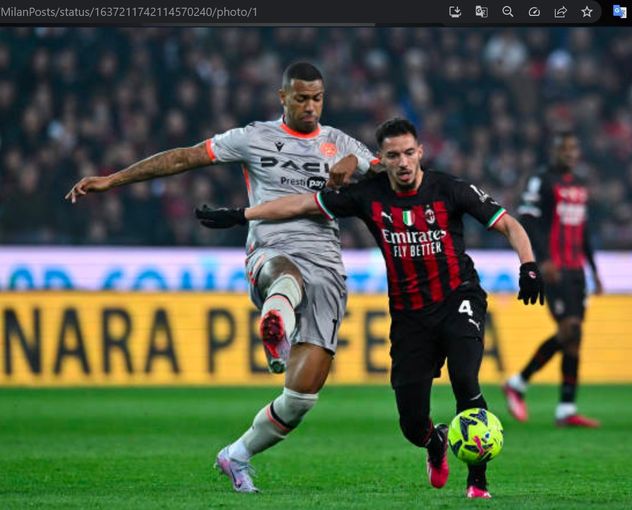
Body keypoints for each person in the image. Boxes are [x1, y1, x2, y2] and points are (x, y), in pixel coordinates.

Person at [65, 62, 380, 493]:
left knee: (301, 398)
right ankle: (277, 328)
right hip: (272, 247)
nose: (311, 106)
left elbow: (395, 173)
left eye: (318, 98)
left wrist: (357, 161)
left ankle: (236, 455)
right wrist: (112, 179)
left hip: (327, 263)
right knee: (284, 278)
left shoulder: (338, 142)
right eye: (302, 98)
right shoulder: (254, 137)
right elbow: (185, 157)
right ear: (282, 97)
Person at [195, 118, 545, 499]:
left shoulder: (450, 189)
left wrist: (528, 266)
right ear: (381, 159)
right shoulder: (368, 195)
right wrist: (241, 214)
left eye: (409, 153)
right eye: (393, 155)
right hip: (410, 316)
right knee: (412, 423)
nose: (403, 162)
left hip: (458, 297)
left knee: (466, 379)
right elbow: (302, 204)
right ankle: (434, 442)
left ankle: (478, 481)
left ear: (420, 153)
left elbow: (508, 223)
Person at [502, 131, 603, 428]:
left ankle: (565, 409)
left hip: (576, 271)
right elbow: (529, 219)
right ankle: (518, 382)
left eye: (574, 148)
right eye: (565, 148)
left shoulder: (580, 185)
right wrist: (541, 258)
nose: (570, 153)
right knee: (569, 328)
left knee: (574, 339)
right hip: (554, 267)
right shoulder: (542, 180)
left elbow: (582, 230)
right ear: (555, 151)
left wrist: (594, 269)